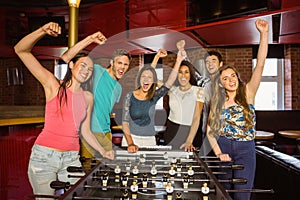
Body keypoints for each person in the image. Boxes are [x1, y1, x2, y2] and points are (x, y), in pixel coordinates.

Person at [14, 22, 114, 199]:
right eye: (82, 65)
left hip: (71, 158)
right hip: (45, 156)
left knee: (81, 195)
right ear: (71, 65)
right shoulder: (53, 85)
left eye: (90, 69)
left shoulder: (88, 97)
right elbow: (20, 50)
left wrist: (102, 150)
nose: (86, 71)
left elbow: (85, 131)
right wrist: (42, 30)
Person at [206, 19, 269, 200]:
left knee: (242, 195)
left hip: (245, 149)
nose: (231, 80)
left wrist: (263, 35)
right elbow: (210, 132)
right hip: (223, 146)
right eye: (225, 78)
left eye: (233, 75)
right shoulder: (217, 101)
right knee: (224, 195)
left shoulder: (248, 93)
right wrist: (219, 153)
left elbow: (260, 65)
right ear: (220, 82)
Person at [61, 34, 132, 159]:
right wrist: (90, 40)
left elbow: (106, 110)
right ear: (112, 62)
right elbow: (71, 58)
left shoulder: (119, 89)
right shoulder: (97, 71)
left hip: (107, 133)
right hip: (89, 132)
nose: (122, 67)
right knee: (88, 169)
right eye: (119, 62)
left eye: (126, 65)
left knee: (106, 170)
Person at [121, 46, 187, 153]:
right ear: (139, 79)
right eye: (143, 77)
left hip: (149, 140)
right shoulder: (129, 96)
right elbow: (125, 123)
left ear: (153, 82)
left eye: (150, 78)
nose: (146, 79)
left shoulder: (154, 96)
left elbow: (169, 82)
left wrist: (178, 60)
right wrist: (131, 143)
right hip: (131, 140)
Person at [152, 51, 205, 151]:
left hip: (191, 133)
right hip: (172, 131)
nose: (183, 75)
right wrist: (157, 57)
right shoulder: (172, 90)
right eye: (180, 72)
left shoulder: (198, 91)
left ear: (190, 74)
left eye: (186, 72)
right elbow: (152, 77)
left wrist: (189, 141)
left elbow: (196, 118)